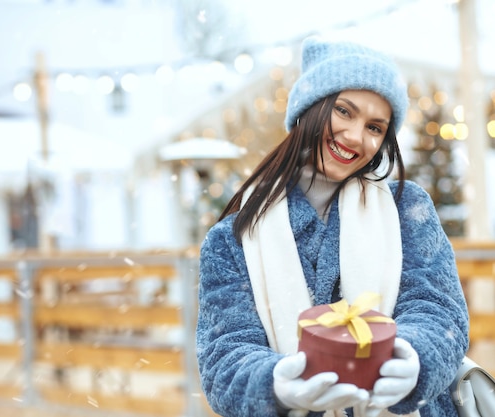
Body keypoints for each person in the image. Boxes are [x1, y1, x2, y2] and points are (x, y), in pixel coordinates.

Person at [195, 36, 469, 417]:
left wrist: (413, 356)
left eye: (375, 127)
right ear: (309, 109)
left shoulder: (406, 208)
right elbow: (225, 354)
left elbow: (437, 309)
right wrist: (276, 385)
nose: (356, 137)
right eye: (344, 111)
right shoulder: (231, 241)